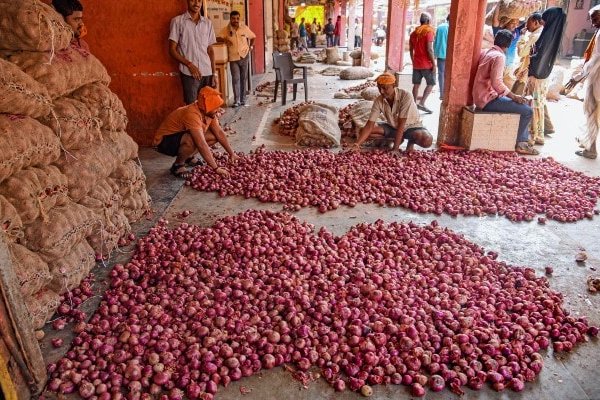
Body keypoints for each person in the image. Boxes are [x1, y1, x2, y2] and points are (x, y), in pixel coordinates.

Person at [472, 30, 538, 155]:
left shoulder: (487, 52)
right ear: (509, 45)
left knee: (523, 106)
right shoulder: (499, 56)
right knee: (527, 111)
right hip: (488, 100)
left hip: (480, 97)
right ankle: (521, 143)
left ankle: (522, 141)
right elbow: (497, 83)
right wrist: (514, 97)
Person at [154, 86, 238, 178]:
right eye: (215, 107)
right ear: (206, 107)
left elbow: (219, 133)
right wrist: (216, 168)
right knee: (191, 139)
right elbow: (201, 143)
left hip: (180, 138)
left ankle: (188, 157)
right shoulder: (192, 114)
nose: (218, 110)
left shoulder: (209, 113)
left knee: (214, 136)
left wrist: (232, 154)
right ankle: (178, 165)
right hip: (164, 142)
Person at [352, 73, 433, 153]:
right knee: (363, 131)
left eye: (385, 88)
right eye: (379, 88)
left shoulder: (406, 95)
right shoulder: (379, 100)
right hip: (392, 127)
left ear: (394, 85)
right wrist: (357, 144)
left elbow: (402, 124)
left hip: (411, 127)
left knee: (427, 140)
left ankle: (410, 142)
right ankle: (397, 139)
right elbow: (370, 125)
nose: (382, 91)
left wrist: (395, 149)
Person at [525, 7, 565, 146]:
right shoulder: (550, 34)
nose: (541, 22)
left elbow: (540, 57)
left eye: (544, 19)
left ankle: (535, 135)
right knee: (539, 105)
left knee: (535, 105)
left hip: (538, 75)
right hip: (542, 75)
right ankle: (538, 133)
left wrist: (532, 58)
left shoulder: (547, 37)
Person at [565, 5, 600, 159]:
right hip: (594, 77)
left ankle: (591, 149)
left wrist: (578, 77)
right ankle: (588, 143)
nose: (592, 23)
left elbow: (596, 60)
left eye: (595, 19)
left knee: (592, 113)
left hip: (597, 80)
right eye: (592, 19)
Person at [169, 0, 217, 105]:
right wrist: (189, 65)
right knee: (192, 107)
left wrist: (214, 73)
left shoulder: (207, 23)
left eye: (199, 0)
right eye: (193, 0)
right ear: (187, 1)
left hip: (207, 72)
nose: (196, 3)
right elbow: (172, 50)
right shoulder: (178, 22)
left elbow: (210, 50)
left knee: (207, 107)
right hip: (189, 74)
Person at [217, 11, 255, 107]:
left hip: (244, 56)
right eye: (233, 18)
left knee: (243, 78)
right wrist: (225, 40)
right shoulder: (226, 30)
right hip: (233, 58)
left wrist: (250, 47)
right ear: (230, 19)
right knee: (236, 79)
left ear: (239, 19)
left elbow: (253, 36)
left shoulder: (244, 28)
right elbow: (217, 38)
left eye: (237, 18)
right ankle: (236, 100)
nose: (236, 20)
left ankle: (243, 99)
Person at [409, 13, 436, 114]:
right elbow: (430, 49)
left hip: (416, 63)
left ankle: (414, 104)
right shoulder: (428, 31)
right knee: (431, 83)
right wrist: (434, 64)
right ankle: (422, 103)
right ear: (428, 21)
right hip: (426, 64)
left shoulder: (413, 33)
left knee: (416, 85)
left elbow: (411, 50)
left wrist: (413, 60)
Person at [513, 12, 543, 95]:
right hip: (530, 72)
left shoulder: (535, 36)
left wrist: (522, 36)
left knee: (518, 98)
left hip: (526, 74)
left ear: (536, 22)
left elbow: (521, 53)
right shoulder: (540, 34)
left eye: (528, 22)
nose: (526, 25)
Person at [433, 15, 449, 99]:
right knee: (449, 74)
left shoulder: (440, 27)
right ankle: (447, 93)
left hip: (440, 54)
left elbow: (435, 41)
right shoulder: (453, 27)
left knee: (441, 74)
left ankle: (442, 94)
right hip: (450, 55)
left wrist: (435, 53)